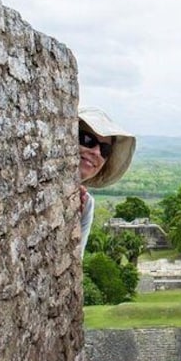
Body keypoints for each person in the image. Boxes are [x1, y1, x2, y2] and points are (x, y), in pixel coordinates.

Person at [78, 106, 136, 256]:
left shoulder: (86, 204)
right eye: (87, 140)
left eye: (105, 150)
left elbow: (75, 261)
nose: (96, 152)